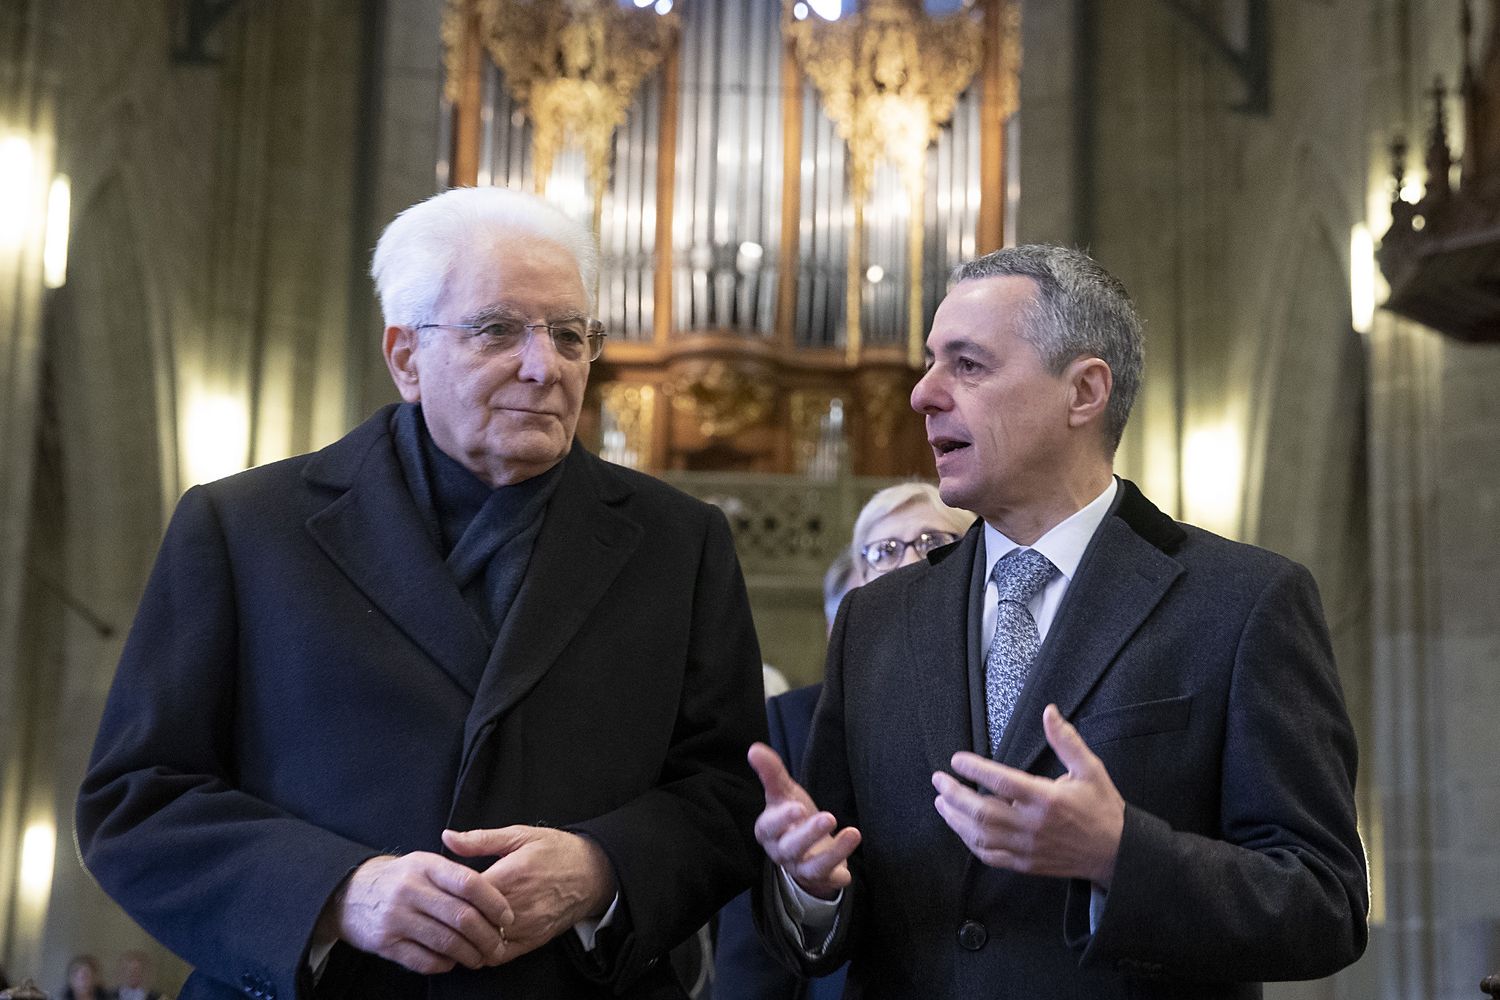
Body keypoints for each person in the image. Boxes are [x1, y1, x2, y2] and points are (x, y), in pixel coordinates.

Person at [76, 186, 767, 1000]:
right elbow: (138, 800)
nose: (545, 366)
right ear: (405, 356)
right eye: (497, 329)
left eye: (571, 334)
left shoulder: (679, 543)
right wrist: (337, 892)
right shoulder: (242, 529)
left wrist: (600, 867)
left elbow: (727, 794)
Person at [750, 245, 1368, 998]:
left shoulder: (1242, 603)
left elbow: (1323, 904)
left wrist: (1119, 854)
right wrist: (812, 886)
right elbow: (827, 919)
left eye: (967, 365)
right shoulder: (877, 618)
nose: (922, 395)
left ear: (1084, 392)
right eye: (929, 362)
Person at [716, 488, 970, 1000]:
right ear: (859, 580)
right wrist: (805, 883)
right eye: (884, 550)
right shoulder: (796, 719)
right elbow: (751, 938)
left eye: (932, 542)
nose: (909, 561)